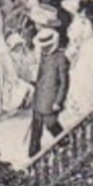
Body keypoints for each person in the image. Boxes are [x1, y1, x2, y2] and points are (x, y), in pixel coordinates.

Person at [27, 28, 68, 158]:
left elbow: (64, 83)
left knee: (52, 125)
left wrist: (58, 101)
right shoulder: (42, 57)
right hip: (39, 98)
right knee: (36, 129)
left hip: (51, 100)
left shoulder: (61, 58)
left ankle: (66, 144)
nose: (44, 49)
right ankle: (32, 155)